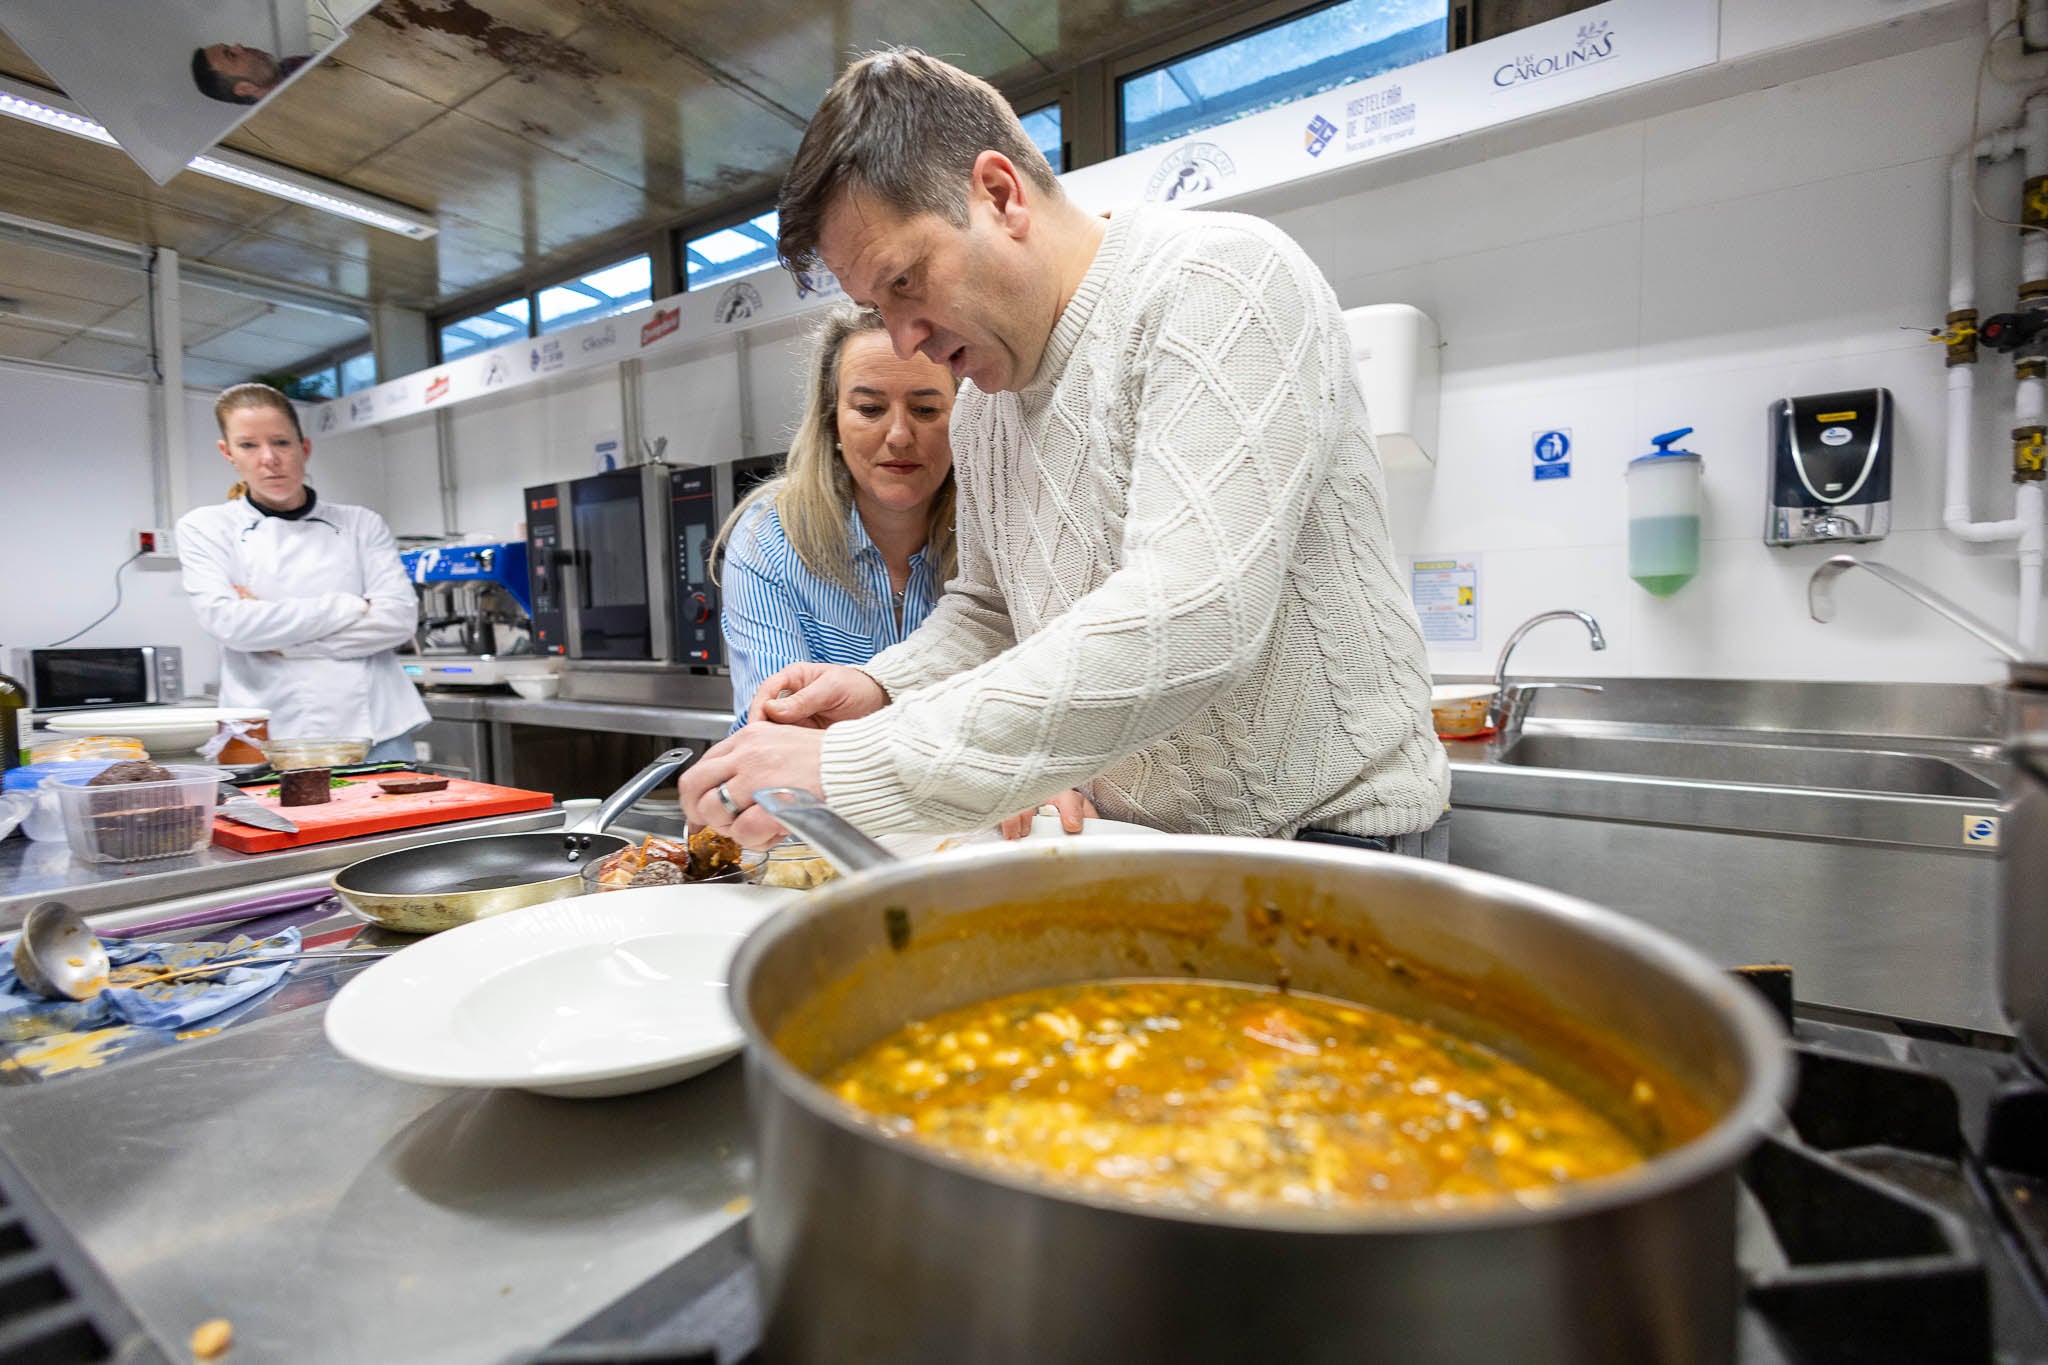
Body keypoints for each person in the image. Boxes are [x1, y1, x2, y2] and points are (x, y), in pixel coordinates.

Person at [680, 48, 1449, 855]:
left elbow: (1192, 616)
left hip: (1330, 839)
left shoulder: (1221, 282)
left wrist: (851, 765)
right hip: (1147, 843)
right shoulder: (980, 407)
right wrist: (881, 685)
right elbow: (989, 612)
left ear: (1000, 194)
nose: (903, 337)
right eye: (876, 305)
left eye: (905, 282)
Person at [714, 304, 958, 733]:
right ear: (833, 423)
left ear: (965, 418)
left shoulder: (996, 533)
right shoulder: (771, 540)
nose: (899, 436)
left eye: (925, 410)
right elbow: (779, 735)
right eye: (869, 408)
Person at [176, 383, 428, 762]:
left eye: (281, 443)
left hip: (377, 731)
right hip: (265, 734)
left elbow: (398, 620)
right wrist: (351, 606)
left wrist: (280, 641)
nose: (269, 459)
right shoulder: (206, 528)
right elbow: (228, 623)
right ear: (227, 453)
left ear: (304, 447)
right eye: (248, 445)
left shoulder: (361, 524)